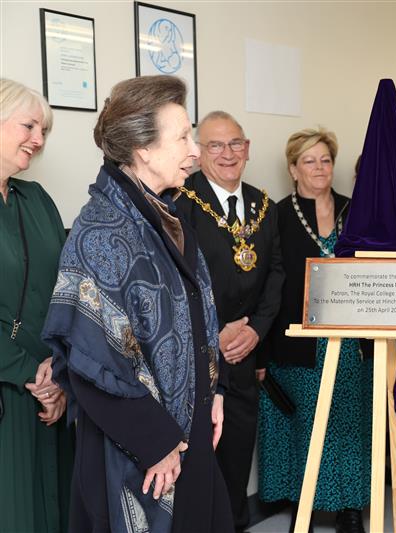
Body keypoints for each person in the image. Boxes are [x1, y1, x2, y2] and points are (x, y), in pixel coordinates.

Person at [42, 75, 234, 533]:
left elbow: (197, 315)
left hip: (191, 432)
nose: (195, 151)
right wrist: (157, 441)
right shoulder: (100, 234)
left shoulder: (169, 214)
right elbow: (90, 362)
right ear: (143, 149)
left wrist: (217, 390)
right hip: (139, 450)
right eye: (184, 137)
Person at [257, 128, 372, 533]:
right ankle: (303, 506)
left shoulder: (355, 210)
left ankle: (350, 508)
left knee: (349, 424)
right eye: (309, 160)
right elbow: (267, 284)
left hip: (352, 341)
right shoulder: (276, 215)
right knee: (305, 426)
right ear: (293, 168)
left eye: (325, 159)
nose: (319, 168)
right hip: (297, 339)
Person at [175, 110, 285, 532]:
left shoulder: (263, 204)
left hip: (243, 353)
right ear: (199, 153)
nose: (227, 153)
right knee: (196, 462)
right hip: (196, 354)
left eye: (235, 143)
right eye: (215, 145)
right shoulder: (180, 202)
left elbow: (275, 273)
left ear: (248, 149)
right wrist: (213, 333)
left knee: (237, 458)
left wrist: (256, 329)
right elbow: (177, 281)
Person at [0, 78, 72, 533]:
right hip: (10, 392)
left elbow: (70, 291)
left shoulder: (38, 201)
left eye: (43, 129)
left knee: (56, 511)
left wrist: (60, 370)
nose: (39, 140)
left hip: (52, 393)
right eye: (29, 125)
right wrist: (31, 372)